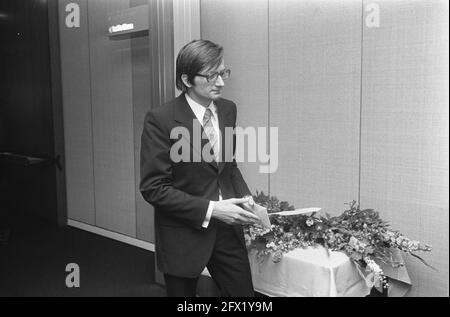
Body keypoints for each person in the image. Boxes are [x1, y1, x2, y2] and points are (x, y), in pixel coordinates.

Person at [140, 39, 262, 297]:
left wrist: (247, 200)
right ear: (186, 79)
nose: (221, 82)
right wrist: (212, 210)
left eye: (223, 73)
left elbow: (228, 166)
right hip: (184, 233)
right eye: (211, 76)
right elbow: (154, 188)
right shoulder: (161, 119)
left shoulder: (228, 109)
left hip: (227, 230)